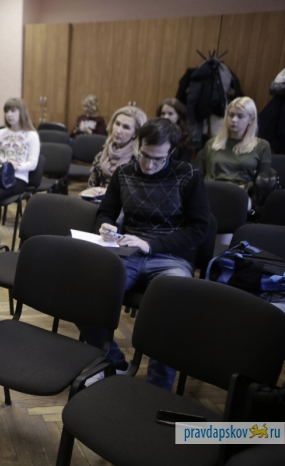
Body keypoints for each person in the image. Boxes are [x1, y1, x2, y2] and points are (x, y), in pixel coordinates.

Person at [78, 117, 211, 391]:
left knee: (169, 309)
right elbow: (106, 212)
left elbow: (199, 229)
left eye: (158, 159)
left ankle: (156, 390)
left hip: (171, 257)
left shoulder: (188, 175)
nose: (149, 165)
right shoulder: (124, 173)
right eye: (144, 155)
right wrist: (105, 225)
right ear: (139, 145)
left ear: (171, 151)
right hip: (128, 253)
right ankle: (114, 363)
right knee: (84, 297)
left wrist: (152, 245)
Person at [0, 98, 39, 231]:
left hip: (17, 178)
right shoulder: (1, 133)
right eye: (7, 111)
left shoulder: (32, 135)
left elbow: (33, 164)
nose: (9, 114)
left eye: (13, 111)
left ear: (22, 112)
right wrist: (1, 161)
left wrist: (16, 166)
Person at [196, 97, 271, 193]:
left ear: (251, 119)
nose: (234, 120)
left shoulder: (262, 146)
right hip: (211, 190)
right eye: (231, 115)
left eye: (240, 116)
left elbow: (263, 180)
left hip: (240, 192)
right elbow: (199, 176)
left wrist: (245, 187)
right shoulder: (212, 143)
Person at [87, 106, 147, 188]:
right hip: (98, 196)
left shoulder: (138, 161)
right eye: (117, 124)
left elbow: (138, 192)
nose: (118, 131)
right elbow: (90, 187)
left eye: (126, 127)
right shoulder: (100, 156)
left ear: (136, 133)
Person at [157, 98, 191, 162]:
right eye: (163, 113)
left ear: (179, 115)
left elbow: (184, 162)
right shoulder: (155, 132)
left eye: (170, 114)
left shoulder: (185, 136)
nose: (165, 117)